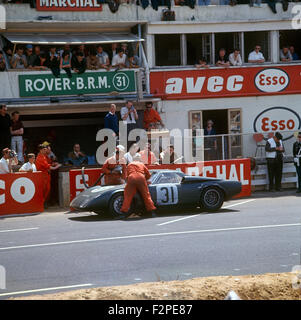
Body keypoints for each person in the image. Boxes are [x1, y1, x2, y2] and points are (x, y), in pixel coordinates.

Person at [120, 153, 157, 218]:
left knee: (128, 196)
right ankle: (152, 212)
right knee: (146, 195)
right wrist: (145, 180)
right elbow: (148, 175)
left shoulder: (129, 164)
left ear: (133, 159)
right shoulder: (142, 164)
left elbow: (126, 176)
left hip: (131, 177)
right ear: (139, 159)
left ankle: (124, 213)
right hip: (141, 177)